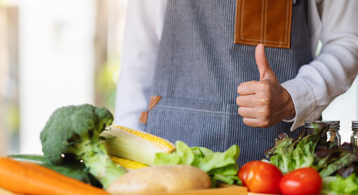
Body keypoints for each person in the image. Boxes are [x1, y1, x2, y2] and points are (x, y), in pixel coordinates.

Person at [114, 0, 358, 164]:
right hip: (167, 161)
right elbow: (139, 54)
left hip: (277, 166)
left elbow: (348, 41)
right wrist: (125, 157)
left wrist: (294, 97)